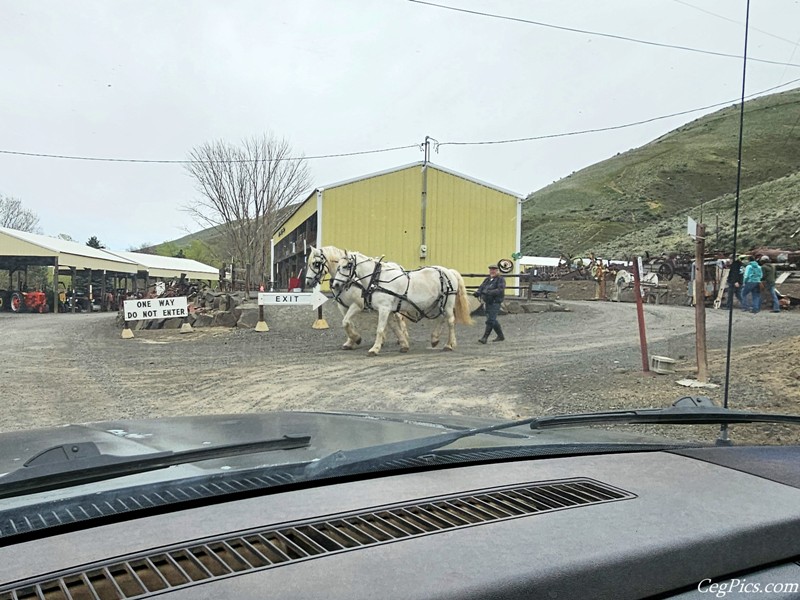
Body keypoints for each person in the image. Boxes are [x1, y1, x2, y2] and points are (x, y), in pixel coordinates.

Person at [474, 264, 506, 344]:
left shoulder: (500, 279)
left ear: (497, 271)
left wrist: (489, 292)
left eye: (494, 270)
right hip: (488, 302)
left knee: (490, 320)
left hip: (495, 302)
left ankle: (485, 338)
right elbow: (481, 287)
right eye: (491, 270)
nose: (492, 271)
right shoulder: (487, 280)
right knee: (493, 320)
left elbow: (500, 290)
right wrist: (478, 292)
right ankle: (501, 336)